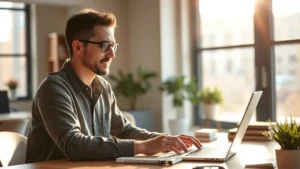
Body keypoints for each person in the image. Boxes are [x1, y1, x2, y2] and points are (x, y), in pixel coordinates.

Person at [25, 8, 202, 163]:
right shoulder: (54, 88)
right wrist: (141, 147)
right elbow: (74, 145)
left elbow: (124, 130)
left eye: (113, 46)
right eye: (104, 46)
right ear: (78, 47)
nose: (112, 54)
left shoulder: (103, 87)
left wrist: (165, 140)